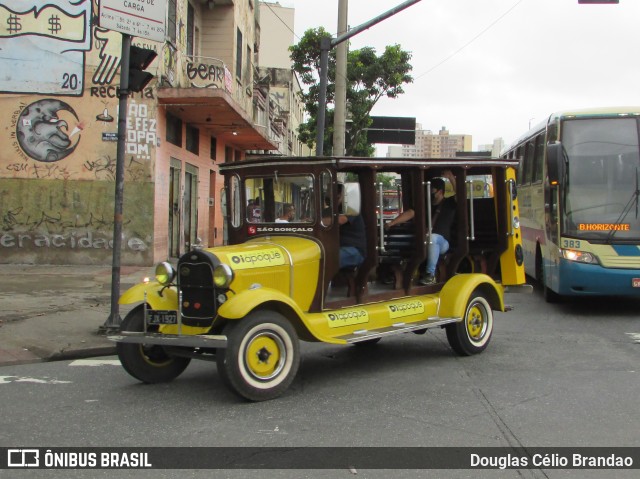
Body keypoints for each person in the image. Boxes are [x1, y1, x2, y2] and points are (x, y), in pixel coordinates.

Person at [385, 172, 456, 285]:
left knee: (432, 238)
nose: (430, 192)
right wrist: (392, 223)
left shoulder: (450, 203)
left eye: (432, 190)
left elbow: (460, 195)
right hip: (423, 241)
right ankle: (390, 273)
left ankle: (430, 275)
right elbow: (410, 213)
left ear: (440, 192)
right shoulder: (425, 204)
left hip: (443, 243)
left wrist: (451, 178)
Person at [328, 184, 366, 269]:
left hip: (354, 250)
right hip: (339, 247)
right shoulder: (332, 209)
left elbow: (340, 220)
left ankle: (326, 282)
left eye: (330, 191)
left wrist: (318, 221)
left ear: (340, 195)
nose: (328, 195)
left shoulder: (351, 208)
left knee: (328, 260)